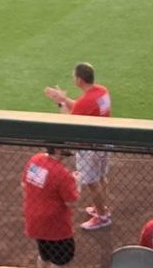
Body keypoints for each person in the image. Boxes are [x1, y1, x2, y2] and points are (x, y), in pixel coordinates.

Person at [45, 63, 113, 230]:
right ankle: (104, 209)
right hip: (105, 141)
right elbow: (82, 107)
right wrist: (63, 98)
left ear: (79, 80)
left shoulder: (85, 102)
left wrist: (60, 104)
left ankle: (102, 217)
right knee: (102, 177)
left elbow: (70, 123)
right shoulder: (102, 91)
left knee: (92, 182)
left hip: (90, 148)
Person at [21, 145, 80, 268]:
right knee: (60, 261)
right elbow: (72, 202)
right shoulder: (62, 174)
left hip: (35, 219)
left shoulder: (35, 160)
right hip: (57, 225)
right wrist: (76, 183)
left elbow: (24, 185)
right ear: (58, 150)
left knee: (44, 255)